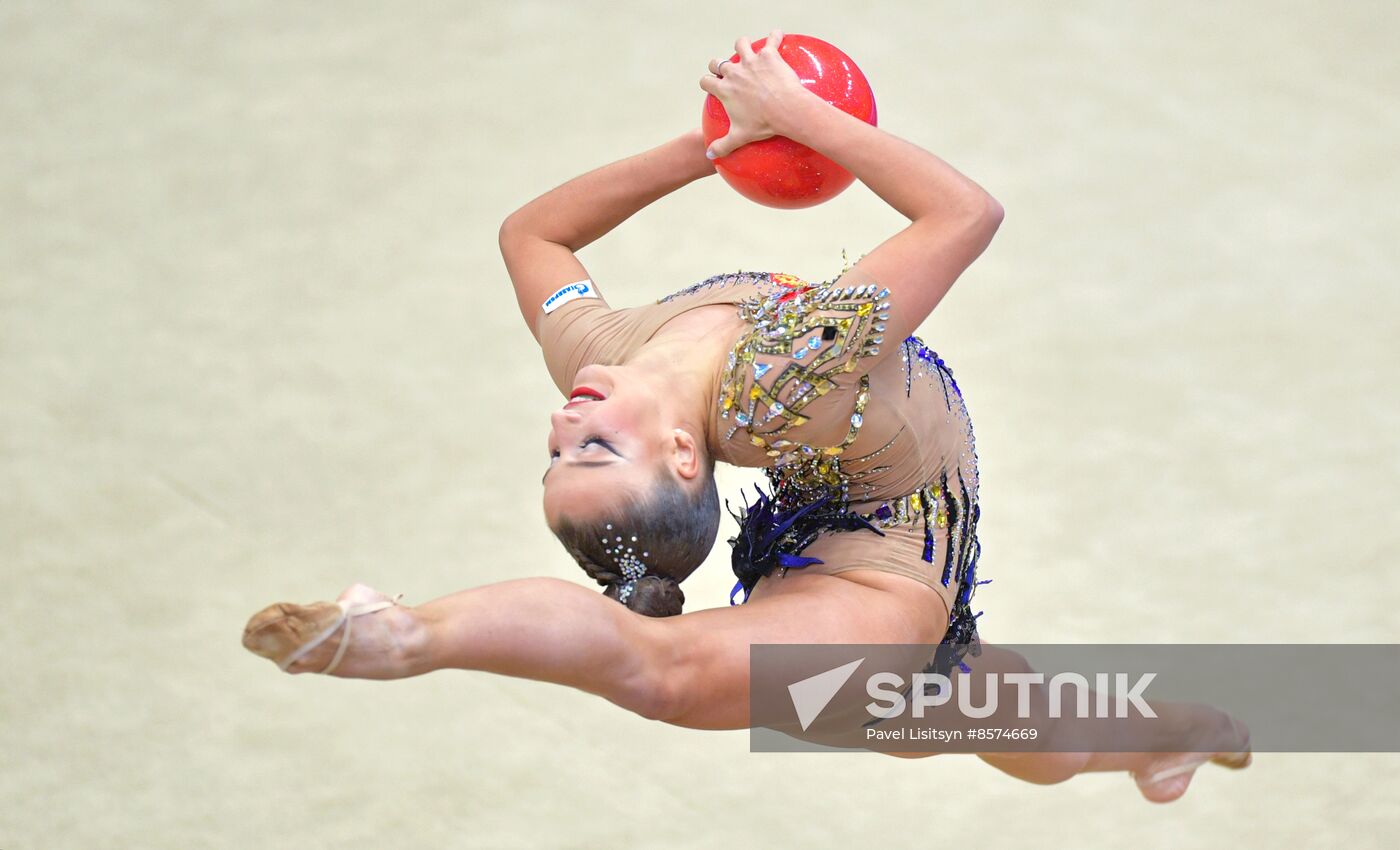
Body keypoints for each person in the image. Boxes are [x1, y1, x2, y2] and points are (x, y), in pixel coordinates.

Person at [242, 30, 1249, 802]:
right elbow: (962, 214)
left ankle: (1166, 735)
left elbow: (533, 234)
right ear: (684, 455)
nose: (563, 421)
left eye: (554, 449)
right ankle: (409, 636)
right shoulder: (793, 372)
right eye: (593, 449)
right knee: (667, 676)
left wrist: (707, 145)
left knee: (996, 707)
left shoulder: (599, 355)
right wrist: (809, 123)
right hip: (877, 595)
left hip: (829, 554)